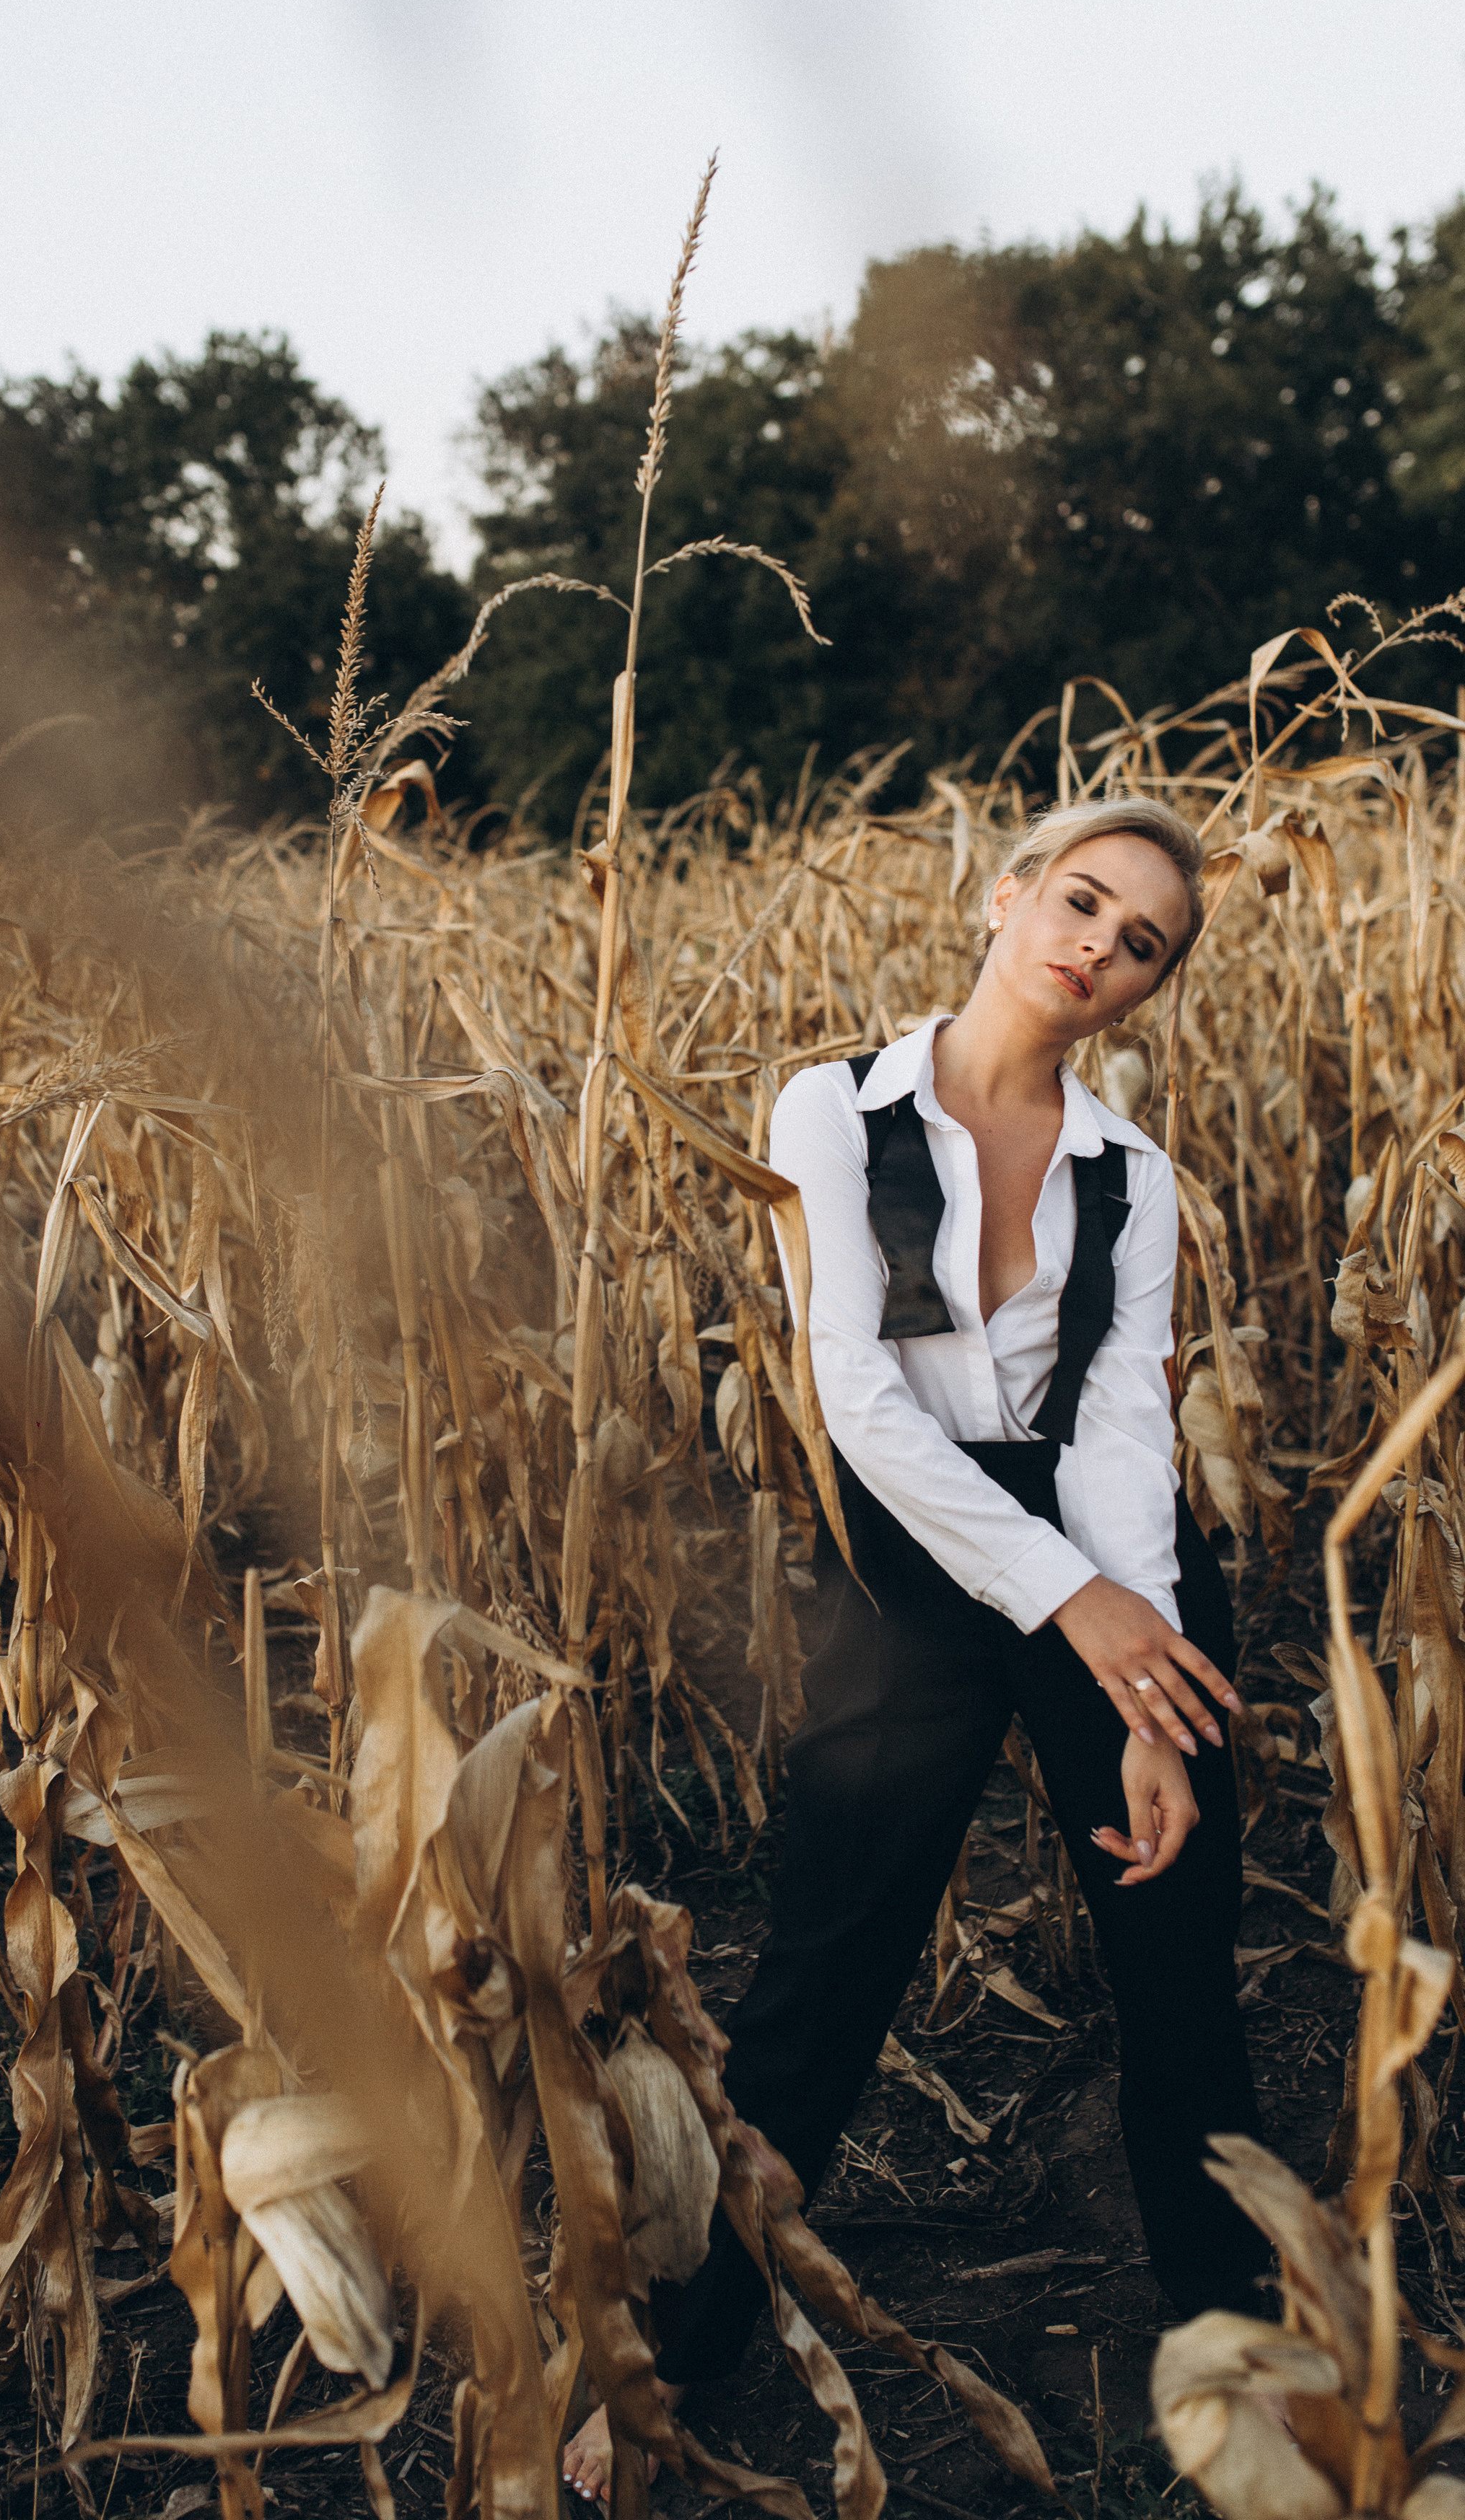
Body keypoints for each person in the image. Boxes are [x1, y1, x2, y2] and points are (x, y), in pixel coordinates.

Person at [563, 798, 1268, 2507]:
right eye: (1082, 900)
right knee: (823, 1970)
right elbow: (860, 1406)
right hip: (912, 1558)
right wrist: (1070, 1607)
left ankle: (1238, 2362)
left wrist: (1145, 1679)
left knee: (1179, 1977)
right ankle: (671, 2376)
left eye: (1140, 941)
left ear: (1145, 989)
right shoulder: (836, 1106)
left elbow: (1114, 1435)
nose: (1097, 944)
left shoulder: (1130, 1178)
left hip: (1112, 1561)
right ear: (1009, 893)